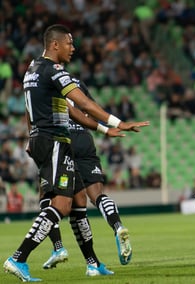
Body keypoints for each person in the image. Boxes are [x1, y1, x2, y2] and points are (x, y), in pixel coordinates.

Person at [3, 24, 148, 282]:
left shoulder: (32, 70)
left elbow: (66, 111)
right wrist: (118, 122)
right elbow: (83, 103)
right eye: (69, 43)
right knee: (61, 203)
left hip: (44, 139)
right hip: (54, 141)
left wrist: (103, 130)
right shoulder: (54, 70)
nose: (73, 48)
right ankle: (19, 258)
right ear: (55, 44)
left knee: (80, 199)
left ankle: (93, 263)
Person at [41, 78, 137, 274]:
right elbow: (90, 108)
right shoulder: (78, 84)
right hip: (85, 138)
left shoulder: (48, 79)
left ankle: (58, 246)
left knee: (49, 196)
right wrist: (108, 127)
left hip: (61, 139)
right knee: (96, 196)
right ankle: (117, 227)